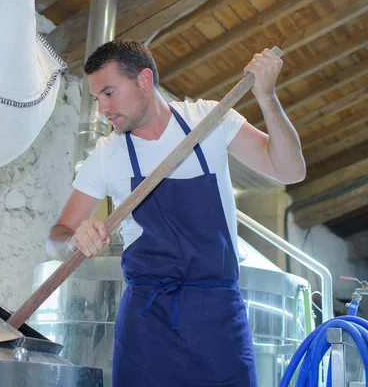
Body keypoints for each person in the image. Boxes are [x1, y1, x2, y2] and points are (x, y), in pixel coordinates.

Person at [46, 40, 305, 386]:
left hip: (217, 315)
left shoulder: (210, 120)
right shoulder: (108, 156)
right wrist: (74, 239)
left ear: (144, 79)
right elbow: (56, 237)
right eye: (97, 98)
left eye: (109, 93)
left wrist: (267, 97)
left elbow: (291, 171)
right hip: (147, 320)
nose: (102, 109)